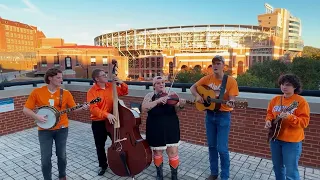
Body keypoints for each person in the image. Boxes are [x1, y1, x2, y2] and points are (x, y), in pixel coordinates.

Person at [23, 68, 89, 180]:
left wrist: (83, 108)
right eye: (58, 77)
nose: (61, 80)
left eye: (61, 77)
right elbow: (26, 109)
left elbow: (73, 109)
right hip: (44, 131)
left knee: (62, 155)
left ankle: (62, 176)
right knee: (45, 158)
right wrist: (37, 116)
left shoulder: (65, 93)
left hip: (62, 129)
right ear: (50, 78)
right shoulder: (37, 92)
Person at [190, 55, 239, 180]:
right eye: (213, 64)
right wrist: (197, 96)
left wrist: (231, 101)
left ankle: (225, 176)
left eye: (218, 63)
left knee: (222, 148)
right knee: (211, 146)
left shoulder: (231, 81)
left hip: (223, 116)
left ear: (224, 66)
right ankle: (214, 173)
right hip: (210, 115)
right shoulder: (207, 78)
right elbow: (192, 88)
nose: (215, 66)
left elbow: (232, 97)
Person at [264, 74, 310, 180]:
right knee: (277, 168)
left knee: (291, 171)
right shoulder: (275, 99)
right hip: (275, 139)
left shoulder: (300, 102)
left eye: (288, 85)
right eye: (282, 84)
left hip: (292, 142)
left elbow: (304, 122)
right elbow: (270, 113)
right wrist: (268, 121)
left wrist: (290, 117)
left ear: (294, 87)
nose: (284, 87)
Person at [141, 76, 186, 180]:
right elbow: (144, 108)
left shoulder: (172, 94)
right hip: (155, 127)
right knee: (157, 152)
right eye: (158, 83)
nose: (161, 84)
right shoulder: (149, 95)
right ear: (153, 86)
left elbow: (178, 109)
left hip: (171, 126)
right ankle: (159, 175)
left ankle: (174, 176)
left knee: (173, 151)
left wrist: (182, 105)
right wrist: (158, 101)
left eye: (163, 82)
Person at [86, 68, 128, 176]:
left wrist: (121, 82)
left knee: (117, 141)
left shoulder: (111, 86)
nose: (106, 76)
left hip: (112, 120)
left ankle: (120, 162)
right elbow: (93, 108)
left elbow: (124, 91)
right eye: (103, 75)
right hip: (99, 122)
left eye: (105, 74)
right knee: (100, 145)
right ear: (96, 78)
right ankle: (103, 165)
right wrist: (106, 114)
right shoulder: (91, 92)